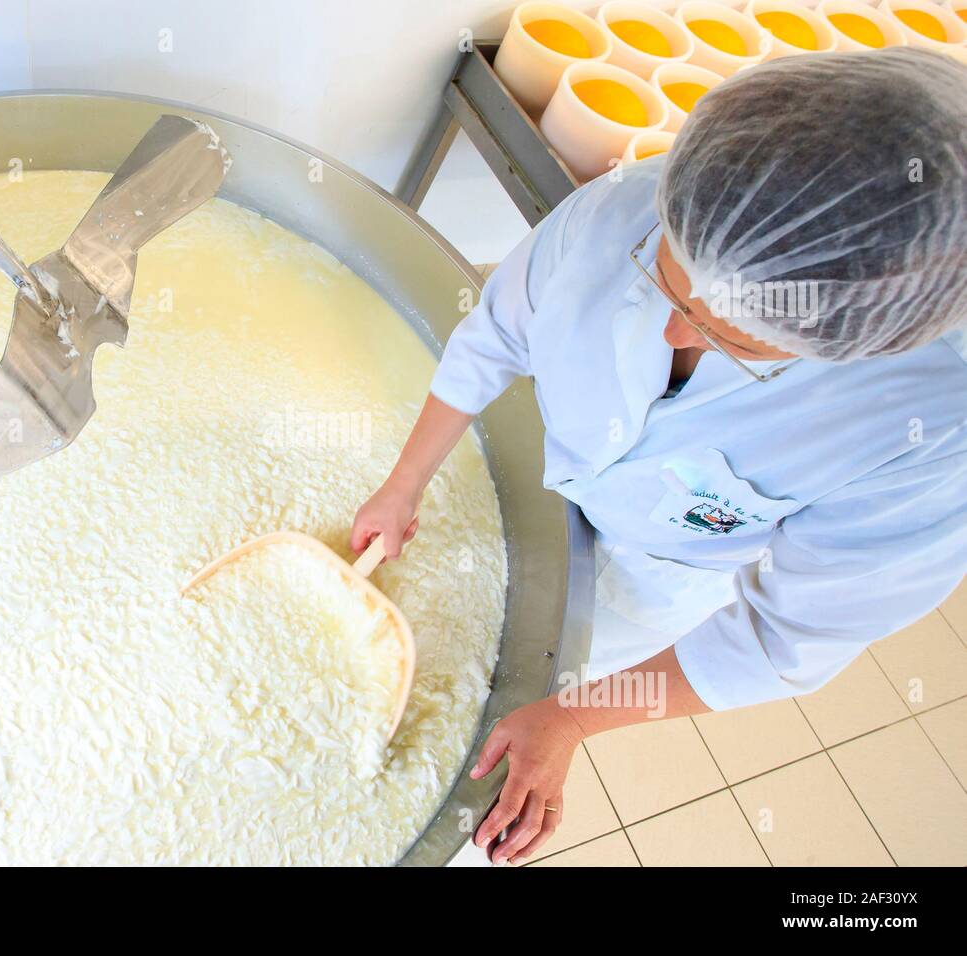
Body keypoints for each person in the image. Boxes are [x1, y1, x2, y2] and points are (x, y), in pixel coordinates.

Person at [351, 47, 967, 866]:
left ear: (856, 346)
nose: (677, 334)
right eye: (668, 284)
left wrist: (573, 720)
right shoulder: (654, 203)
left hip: (655, 578)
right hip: (553, 471)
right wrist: (403, 484)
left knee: (530, 692)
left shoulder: (926, 425)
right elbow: (498, 330)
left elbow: (783, 639)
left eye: (732, 340)